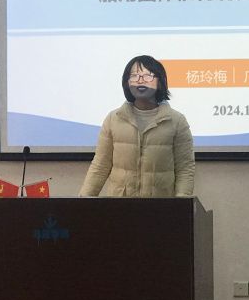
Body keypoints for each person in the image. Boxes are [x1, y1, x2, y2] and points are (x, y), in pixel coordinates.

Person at [79, 55, 195, 198]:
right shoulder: (113, 119)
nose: (140, 80)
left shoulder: (176, 121)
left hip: (160, 206)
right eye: (134, 76)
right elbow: (100, 165)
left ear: (160, 82)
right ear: (127, 83)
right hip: (120, 205)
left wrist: (181, 204)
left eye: (147, 76)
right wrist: (83, 202)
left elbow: (185, 169)